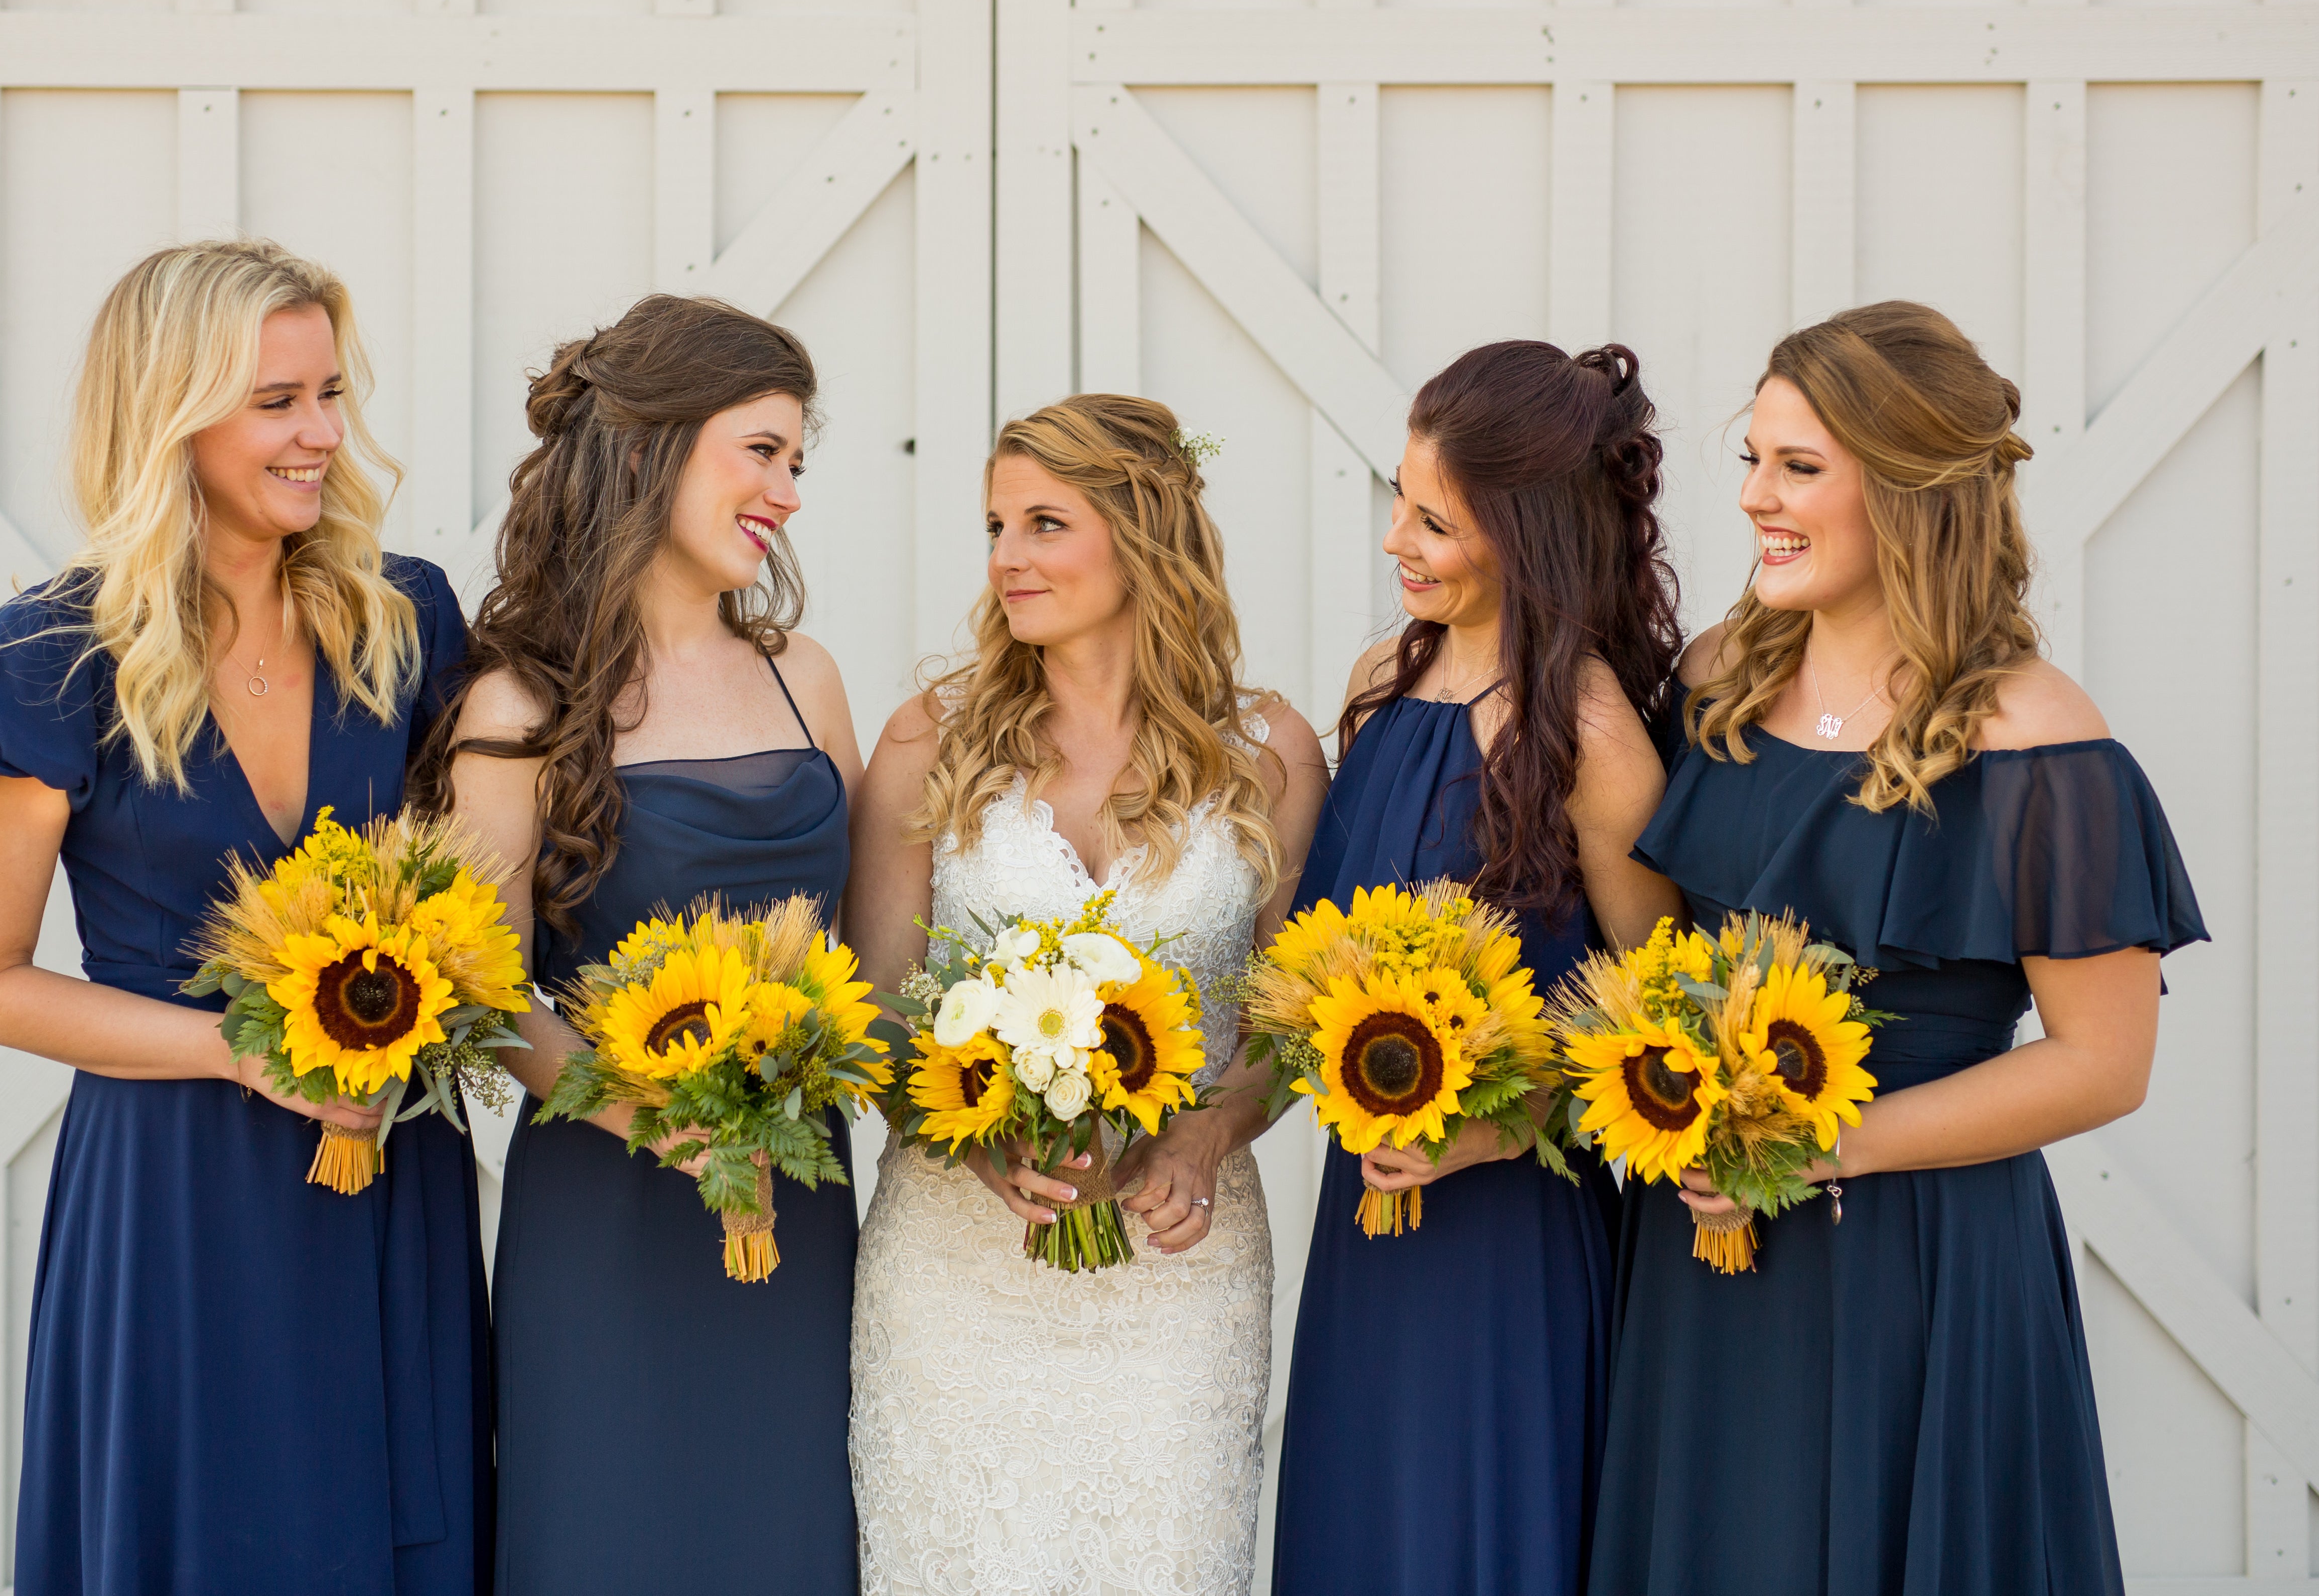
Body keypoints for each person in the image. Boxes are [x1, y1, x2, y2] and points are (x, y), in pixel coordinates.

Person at [1586, 301, 2207, 1596]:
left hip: (1918, 1256)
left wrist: (1827, 1146)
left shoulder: (2035, 740)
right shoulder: (1713, 686)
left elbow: (2101, 1065)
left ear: (1916, 492)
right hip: (1705, 1259)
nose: (1756, 496)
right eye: (1751, 459)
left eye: (1798, 467)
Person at [0, 239, 487, 1595]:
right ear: (168, 409)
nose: (322, 436)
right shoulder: (49, 656)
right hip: (172, 1189)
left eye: (330, 393)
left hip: (384, 1173)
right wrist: (251, 1054)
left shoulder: (403, 619)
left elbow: (469, 895)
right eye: (274, 401)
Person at [845, 394, 1327, 1596]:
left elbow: (1294, 1026)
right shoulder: (932, 739)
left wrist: (1209, 1135)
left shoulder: (1266, 753)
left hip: (1178, 1279)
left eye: (1043, 525)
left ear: (1143, 536)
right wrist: (967, 1140)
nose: (1006, 558)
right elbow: (877, 1011)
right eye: (995, 526)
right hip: (953, 1282)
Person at [424, 295, 864, 1596]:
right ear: (646, 450)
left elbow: (867, 957)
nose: (784, 490)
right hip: (610, 1215)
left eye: (796, 460)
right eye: (760, 451)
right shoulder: (517, 704)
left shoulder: (807, 675)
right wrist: (657, 1123)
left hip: (800, 1205)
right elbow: (486, 995)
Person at [1268, 341, 1685, 1596]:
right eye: (1396, 499)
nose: (1397, 538)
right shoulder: (1377, 688)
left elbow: (1660, 1027)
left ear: (1522, 529)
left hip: (1512, 1234)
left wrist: (1504, 1126)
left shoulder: (1596, 737)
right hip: (1369, 1226)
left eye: (1433, 518)